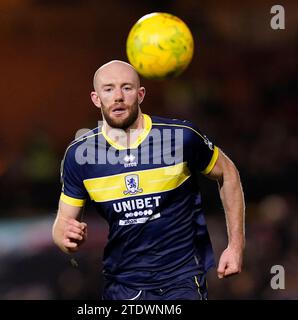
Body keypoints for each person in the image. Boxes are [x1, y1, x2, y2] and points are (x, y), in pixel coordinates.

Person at [52, 60, 245, 300]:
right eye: (109, 89)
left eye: (127, 88)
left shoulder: (180, 137)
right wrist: (64, 238)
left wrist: (235, 246)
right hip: (122, 285)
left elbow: (228, 172)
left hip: (181, 280)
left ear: (141, 94)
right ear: (96, 98)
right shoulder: (80, 155)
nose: (118, 96)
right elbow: (63, 224)